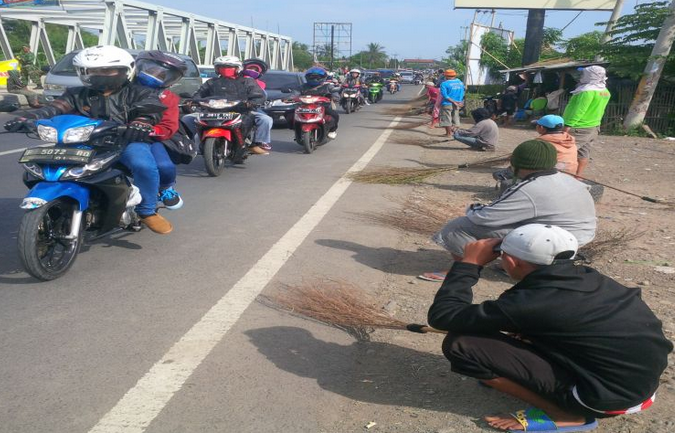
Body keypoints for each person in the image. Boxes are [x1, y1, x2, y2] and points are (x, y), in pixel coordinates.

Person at [428, 224, 672, 433]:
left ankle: (564, 414)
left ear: (511, 261)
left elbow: (443, 316)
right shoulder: (589, 278)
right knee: (518, 333)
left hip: (602, 398)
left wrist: (469, 264)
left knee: (460, 343)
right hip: (640, 386)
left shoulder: (531, 303)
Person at [4, 45, 171, 234]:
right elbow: (53, 108)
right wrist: (26, 119)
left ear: (126, 70)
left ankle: (147, 211)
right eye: (93, 71)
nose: (100, 74)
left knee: (143, 165)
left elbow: (149, 111)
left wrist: (140, 123)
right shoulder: (76, 93)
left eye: (107, 70)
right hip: (84, 141)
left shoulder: (139, 92)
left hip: (124, 140)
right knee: (46, 166)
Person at [419, 140, 596, 282]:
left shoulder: (530, 188)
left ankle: (463, 270)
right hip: (579, 236)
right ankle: (521, 265)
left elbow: (485, 217)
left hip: (556, 241)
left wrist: (472, 208)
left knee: (459, 226)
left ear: (519, 164)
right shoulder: (568, 179)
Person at [185, 55, 266, 162]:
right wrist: (192, 101)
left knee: (265, 120)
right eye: (221, 67)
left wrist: (251, 103)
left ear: (237, 68)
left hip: (240, 111)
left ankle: (256, 143)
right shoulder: (211, 82)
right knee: (187, 118)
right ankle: (188, 143)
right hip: (211, 112)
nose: (225, 69)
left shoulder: (247, 82)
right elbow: (199, 94)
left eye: (229, 67)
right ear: (217, 69)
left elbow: (258, 96)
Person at [134, 50, 188, 210]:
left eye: (164, 74)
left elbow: (169, 126)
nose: (155, 75)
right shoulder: (120, 88)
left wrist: (150, 130)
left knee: (165, 167)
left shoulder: (168, 98)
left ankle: (165, 188)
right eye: (151, 69)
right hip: (111, 135)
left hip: (147, 139)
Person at [563, 66, 611, 177]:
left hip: (579, 127)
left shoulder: (587, 91)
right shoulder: (604, 91)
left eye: (584, 74)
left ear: (590, 76)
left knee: (565, 151)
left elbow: (579, 110)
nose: (581, 76)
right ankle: (578, 176)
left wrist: (568, 126)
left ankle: (564, 176)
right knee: (583, 153)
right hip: (593, 126)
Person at [292, 67, 340, 139]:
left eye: (317, 77)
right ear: (307, 77)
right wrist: (289, 98)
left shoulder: (327, 86)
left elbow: (335, 93)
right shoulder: (302, 87)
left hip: (323, 106)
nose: (314, 79)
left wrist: (335, 97)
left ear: (323, 78)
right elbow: (294, 94)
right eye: (312, 77)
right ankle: (296, 129)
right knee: (289, 113)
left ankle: (332, 130)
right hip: (304, 107)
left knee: (334, 115)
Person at [242, 58, 274, 153]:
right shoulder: (234, 80)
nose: (252, 71)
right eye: (250, 68)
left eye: (256, 70)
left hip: (250, 108)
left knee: (266, 119)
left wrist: (252, 103)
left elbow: (261, 97)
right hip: (231, 107)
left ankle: (258, 142)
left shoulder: (260, 85)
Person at [439, 69, 464, 137]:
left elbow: (445, 95)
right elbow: (462, 93)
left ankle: (448, 134)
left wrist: (453, 101)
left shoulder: (444, 84)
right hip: (458, 103)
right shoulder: (460, 82)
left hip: (447, 103)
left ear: (446, 76)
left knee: (446, 119)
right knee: (455, 118)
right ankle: (455, 133)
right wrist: (460, 101)